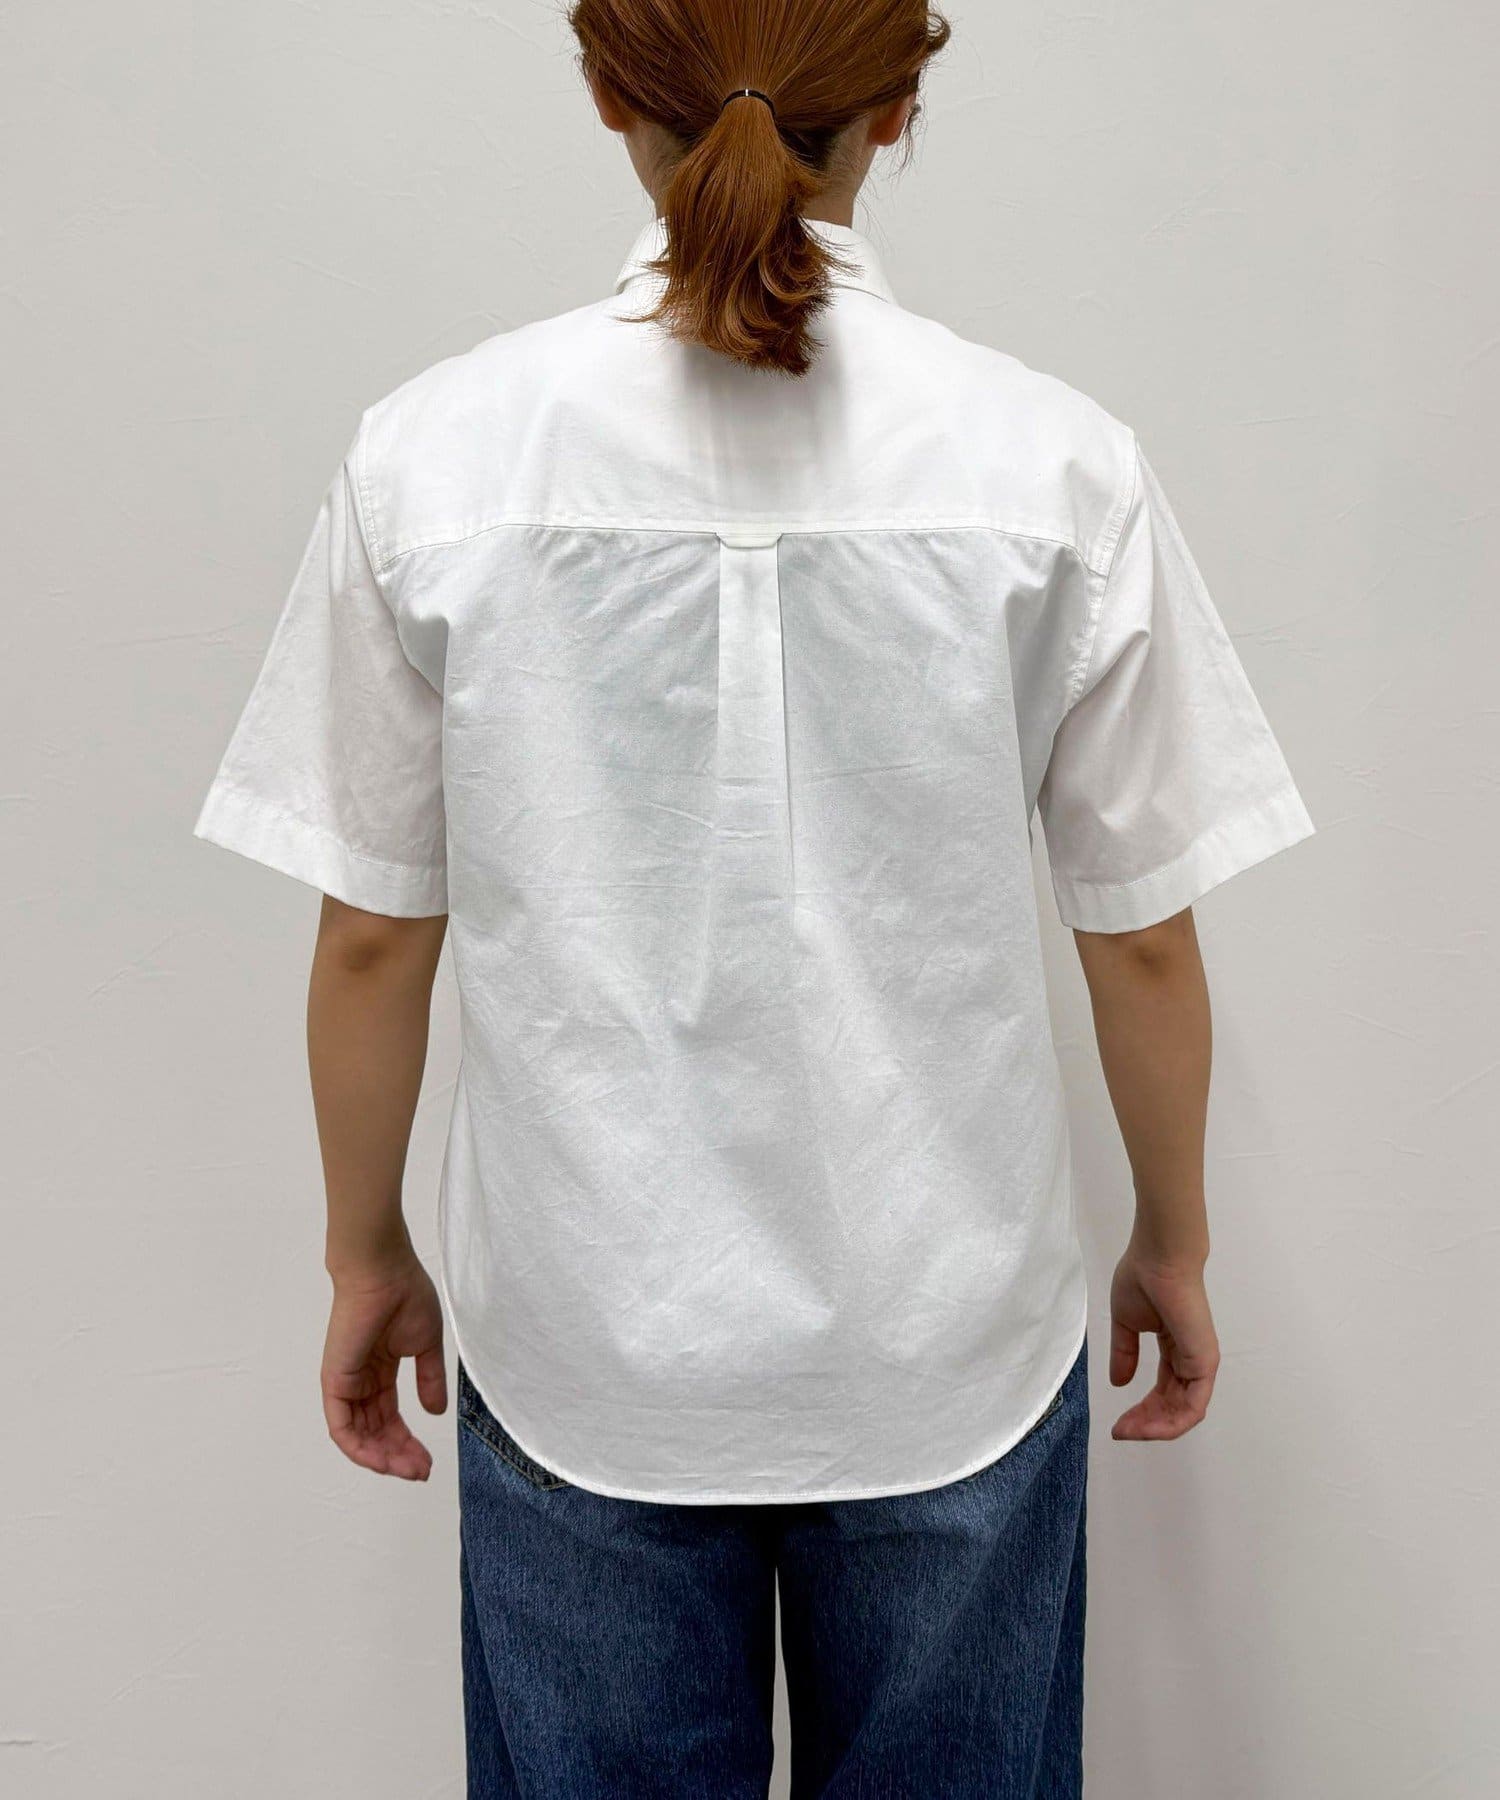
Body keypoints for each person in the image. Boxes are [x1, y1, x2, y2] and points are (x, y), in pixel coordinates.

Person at [193, 2, 1316, 1793]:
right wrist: (1172, 1243)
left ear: (603, 93)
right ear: (900, 106)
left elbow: (375, 932)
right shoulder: (1053, 464)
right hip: (949, 1340)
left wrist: (365, 1251)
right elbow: (1146, 939)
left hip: (588, 1341)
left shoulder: (433, 457)